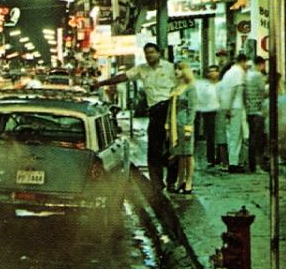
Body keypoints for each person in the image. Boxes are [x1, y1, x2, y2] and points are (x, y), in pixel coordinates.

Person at [94, 42, 175, 186]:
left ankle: (172, 181)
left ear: (159, 53)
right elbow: (122, 77)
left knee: (172, 148)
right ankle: (157, 182)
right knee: (154, 148)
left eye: (152, 52)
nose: (149, 55)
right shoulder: (142, 69)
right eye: (147, 53)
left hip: (170, 109)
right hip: (155, 111)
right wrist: (101, 83)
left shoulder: (170, 68)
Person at [168, 60, 199, 194]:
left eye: (180, 69)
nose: (177, 72)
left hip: (185, 124)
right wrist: (167, 125)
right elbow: (170, 109)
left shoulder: (190, 87)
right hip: (174, 126)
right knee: (179, 155)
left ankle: (189, 182)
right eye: (176, 69)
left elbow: (192, 109)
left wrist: (189, 127)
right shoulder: (174, 88)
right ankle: (180, 181)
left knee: (188, 154)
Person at [219, 53, 250, 172]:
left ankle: (233, 161)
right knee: (236, 136)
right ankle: (234, 163)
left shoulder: (228, 73)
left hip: (228, 107)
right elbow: (235, 90)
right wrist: (230, 106)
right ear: (243, 61)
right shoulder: (238, 72)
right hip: (235, 107)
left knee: (230, 135)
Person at [244, 55, 267, 172]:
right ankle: (257, 165)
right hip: (258, 110)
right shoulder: (258, 76)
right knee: (258, 140)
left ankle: (252, 164)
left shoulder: (247, 75)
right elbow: (263, 90)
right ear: (261, 64)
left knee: (253, 137)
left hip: (249, 110)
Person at [194, 65, 221, 167]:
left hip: (220, 111)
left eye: (214, 71)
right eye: (210, 71)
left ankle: (220, 157)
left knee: (220, 136)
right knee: (210, 136)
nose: (212, 73)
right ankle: (211, 158)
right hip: (208, 112)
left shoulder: (221, 84)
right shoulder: (205, 85)